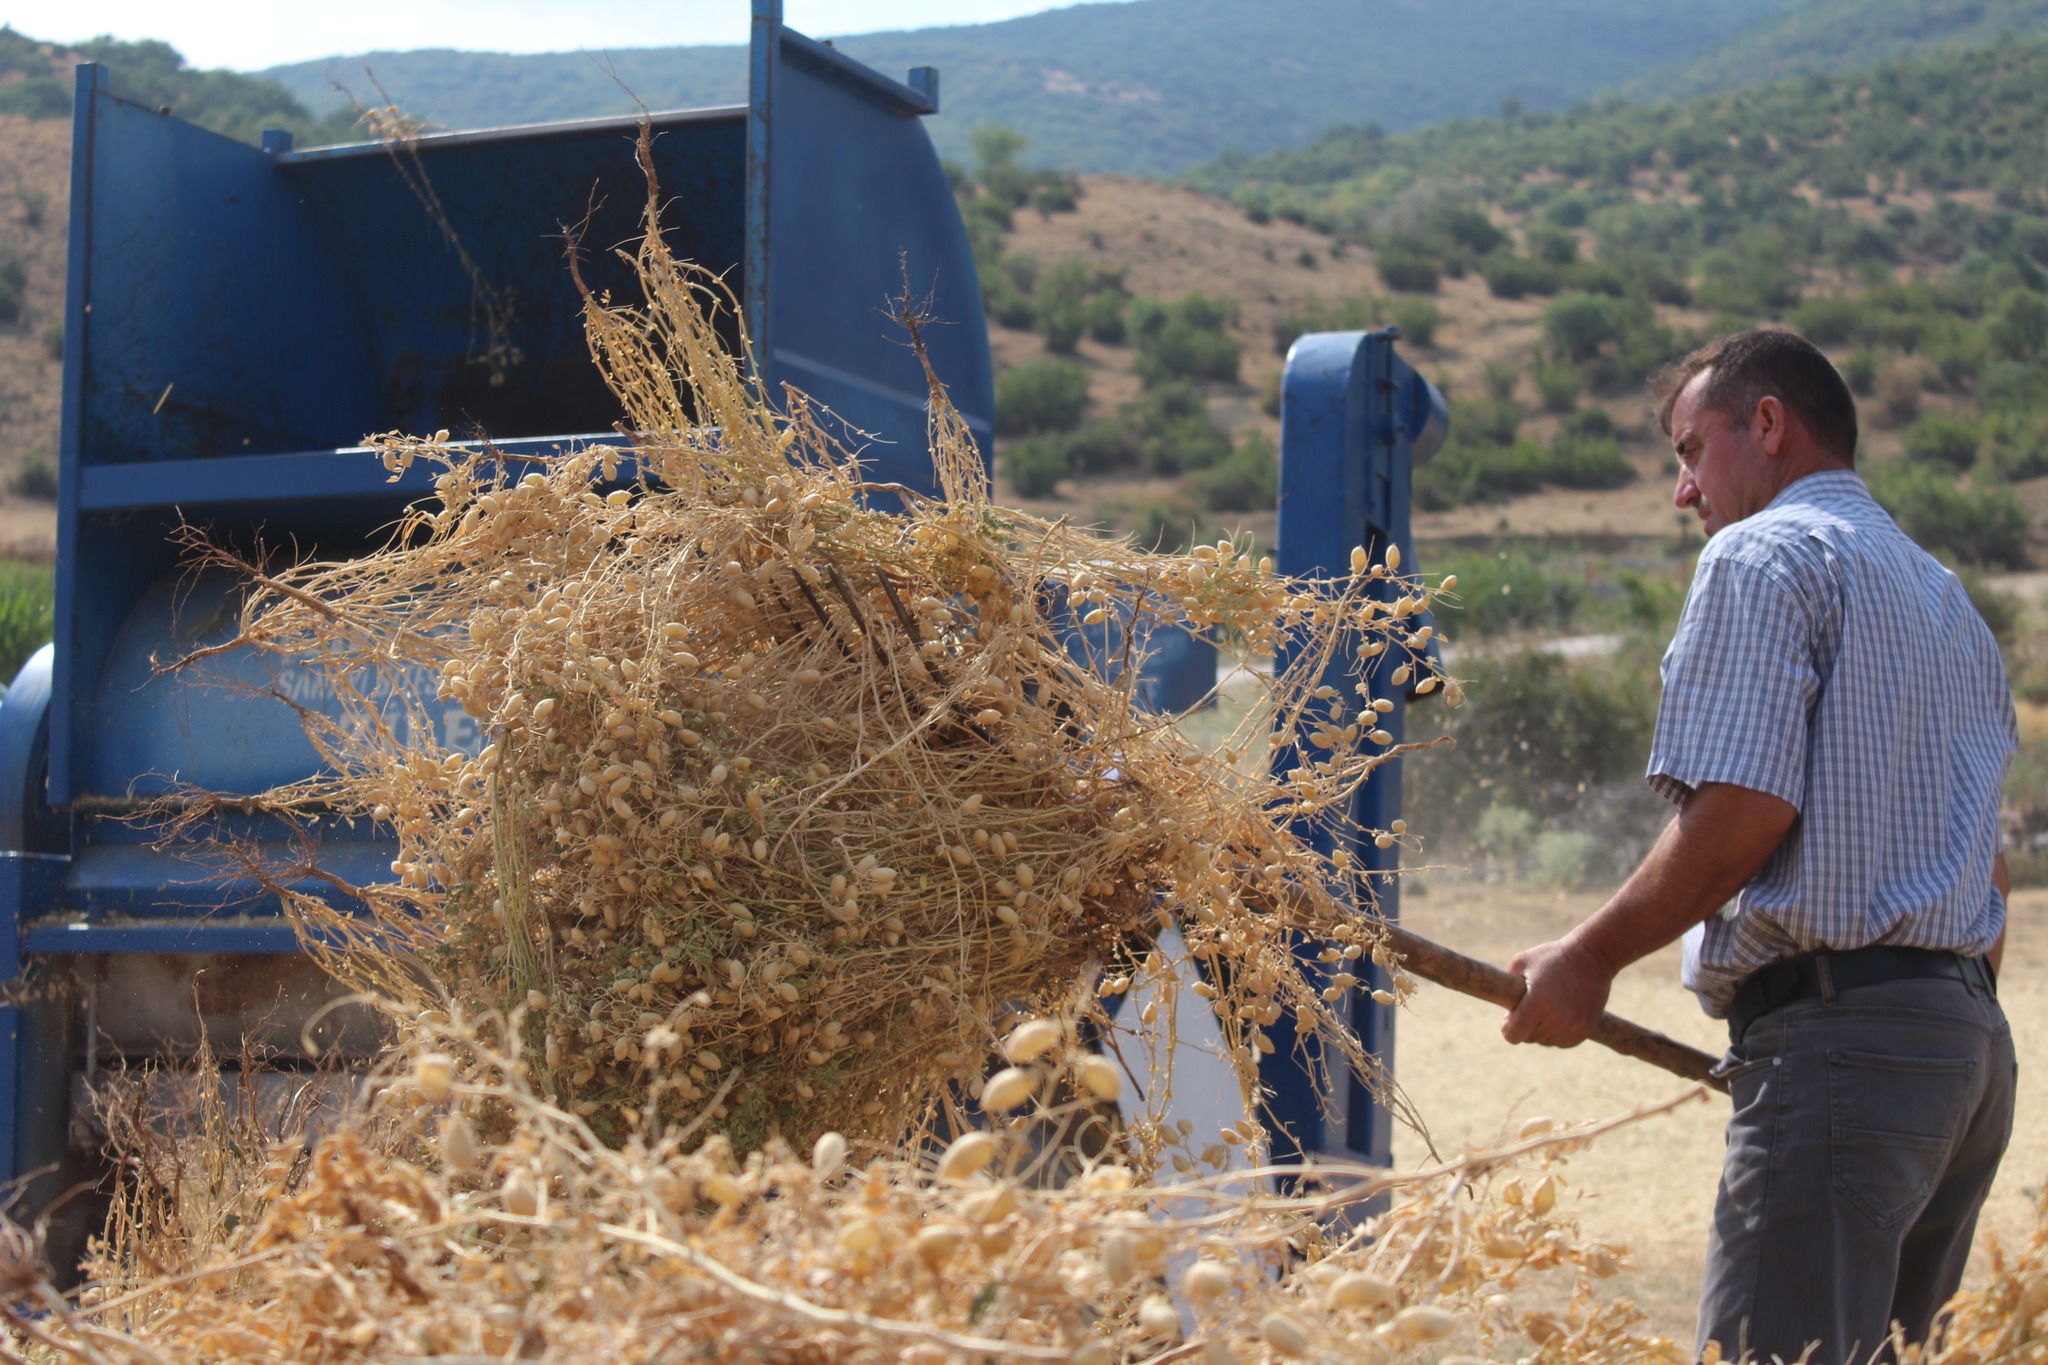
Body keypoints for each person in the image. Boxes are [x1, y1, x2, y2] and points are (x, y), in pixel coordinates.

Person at [1499, 329, 2017, 1362]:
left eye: (1690, 451)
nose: (1682, 492)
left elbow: (1743, 805)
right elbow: (1986, 867)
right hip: (1964, 1057)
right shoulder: (1942, 597)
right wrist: (1916, 1024)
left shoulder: (1760, 553)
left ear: (1766, 424)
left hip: (1842, 1044)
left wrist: (1588, 958)